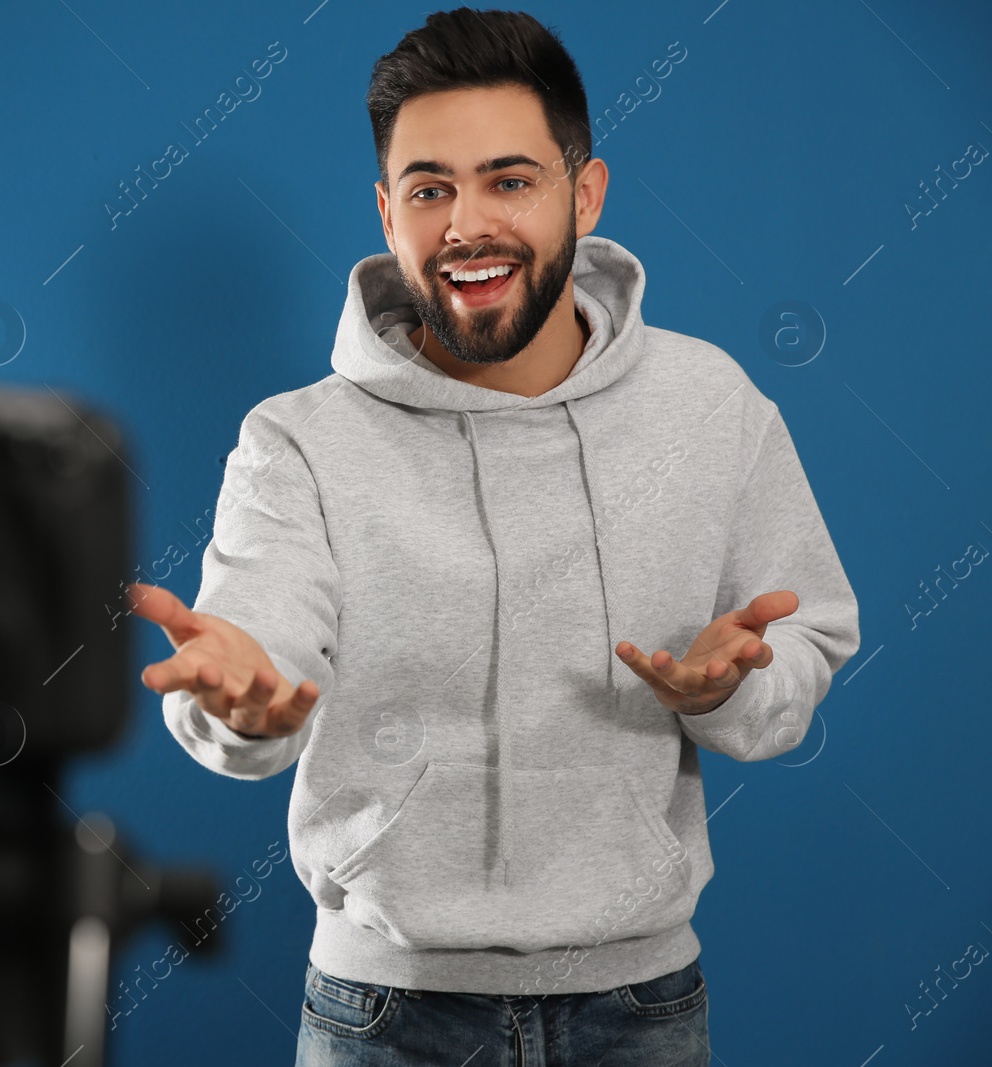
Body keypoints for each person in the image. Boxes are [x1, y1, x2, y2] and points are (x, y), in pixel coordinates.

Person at [128, 8, 860, 1065]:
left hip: (642, 1012)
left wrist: (733, 688)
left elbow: (808, 639)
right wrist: (240, 707)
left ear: (584, 193)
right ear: (387, 212)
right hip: (382, 1016)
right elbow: (249, 664)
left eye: (509, 180)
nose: (466, 223)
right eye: (430, 189)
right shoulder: (299, 440)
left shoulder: (713, 406)